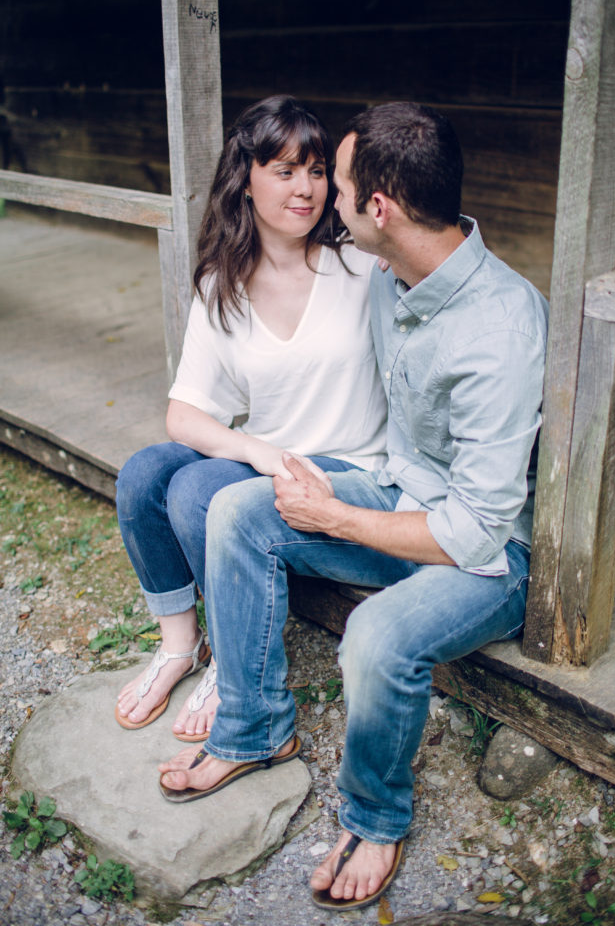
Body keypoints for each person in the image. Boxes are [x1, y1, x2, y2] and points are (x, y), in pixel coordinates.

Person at [158, 102, 549, 912]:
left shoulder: (497, 328)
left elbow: (475, 530)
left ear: (378, 209)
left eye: (334, 186)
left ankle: (374, 818)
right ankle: (255, 727)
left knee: (375, 636)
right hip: (399, 497)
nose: (323, 203)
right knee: (238, 510)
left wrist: (332, 516)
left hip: (483, 553)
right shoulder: (388, 271)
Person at [115, 95, 387, 739]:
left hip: (349, 465)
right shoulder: (223, 283)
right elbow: (184, 412)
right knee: (145, 471)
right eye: (285, 170)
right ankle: (182, 645)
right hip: (277, 458)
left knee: (196, 488)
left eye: (317, 171)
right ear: (247, 179)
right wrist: (261, 451)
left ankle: (234, 658)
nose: (307, 188)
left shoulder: (360, 266)